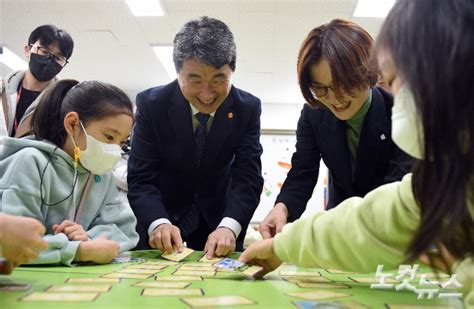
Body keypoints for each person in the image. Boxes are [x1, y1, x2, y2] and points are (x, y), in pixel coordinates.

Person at [240, 0, 473, 306]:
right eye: (321, 89)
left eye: (394, 82)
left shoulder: (397, 118)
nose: (333, 98)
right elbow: (383, 214)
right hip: (347, 228)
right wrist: (282, 226)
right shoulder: (448, 176)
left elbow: (392, 213)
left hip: (389, 248)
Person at [258, 19, 411, 239]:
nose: (335, 99)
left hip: (392, 229)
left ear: (368, 73)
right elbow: (303, 171)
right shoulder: (314, 114)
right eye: (320, 89)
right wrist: (282, 208)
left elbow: (396, 188)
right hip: (340, 225)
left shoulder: (400, 113)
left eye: (344, 85)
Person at [128, 16, 263, 257]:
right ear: (178, 72)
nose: (207, 93)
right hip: (162, 223)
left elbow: (247, 177)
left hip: (219, 227)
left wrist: (229, 226)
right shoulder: (152, 105)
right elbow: (141, 177)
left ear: (232, 72)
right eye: (195, 80)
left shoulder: (247, 108)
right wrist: (158, 222)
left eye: (219, 79)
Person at [0, 79, 139, 265]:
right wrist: (78, 250)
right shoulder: (30, 162)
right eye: (109, 137)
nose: (115, 150)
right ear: (73, 124)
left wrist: (87, 238)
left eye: (122, 142)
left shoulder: (101, 174)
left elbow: (125, 230)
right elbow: (13, 244)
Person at [1, 24, 73, 139]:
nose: (49, 60)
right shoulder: (2, 89)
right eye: (44, 51)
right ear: (28, 50)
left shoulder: (62, 103)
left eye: (58, 58)